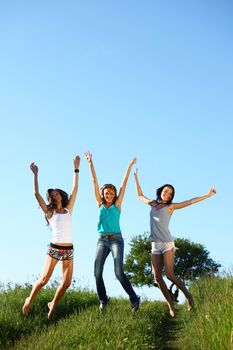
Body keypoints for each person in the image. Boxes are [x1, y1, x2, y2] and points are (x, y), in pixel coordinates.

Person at [134, 168, 216, 317]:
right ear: (160, 192)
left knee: (170, 275)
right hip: (155, 245)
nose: (167, 194)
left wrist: (208, 195)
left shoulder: (170, 207)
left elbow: (190, 202)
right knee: (157, 278)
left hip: (167, 244)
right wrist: (136, 178)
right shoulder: (153, 204)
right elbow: (139, 195)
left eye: (170, 193)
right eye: (166, 191)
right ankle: (170, 305)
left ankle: (188, 296)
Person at [22, 156, 80, 319]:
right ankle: (29, 299)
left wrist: (76, 169)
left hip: (69, 249)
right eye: (52, 195)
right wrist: (35, 175)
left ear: (61, 195)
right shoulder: (50, 213)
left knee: (67, 283)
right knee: (44, 279)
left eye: (57, 194)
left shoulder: (68, 210)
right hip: (55, 248)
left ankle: (53, 302)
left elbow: (75, 189)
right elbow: (36, 194)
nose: (55, 196)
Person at [84, 151, 140, 313]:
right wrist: (90, 163)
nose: (109, 195)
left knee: (118, 272)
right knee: (97, 272)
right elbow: (94, 182)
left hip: (116, 240)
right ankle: (103, 299)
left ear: (115, 194)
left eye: (111, 193)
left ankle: (134, 299)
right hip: (101, 240)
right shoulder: (99, 204)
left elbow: (124, 183)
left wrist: (129, 166)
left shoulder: (118, 204)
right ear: (102, 194)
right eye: (106, 193)